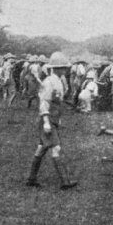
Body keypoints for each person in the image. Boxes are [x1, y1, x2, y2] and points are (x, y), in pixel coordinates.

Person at [25, 51, 78, 190]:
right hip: (46, 120)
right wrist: (47, 122)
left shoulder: (58, 81)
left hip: (52, 120)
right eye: (63, 67)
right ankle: (65, 181)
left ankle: (31, 178)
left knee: (41, 148)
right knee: (56, 148)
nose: (66, 70)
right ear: (57, 68)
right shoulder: (49, 82)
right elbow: (44, 103)